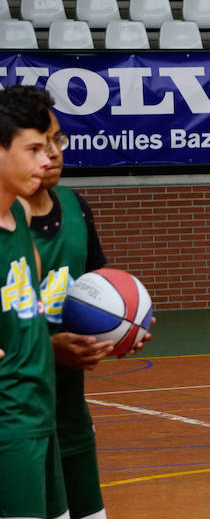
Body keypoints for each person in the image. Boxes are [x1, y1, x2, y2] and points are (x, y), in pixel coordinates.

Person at [22, 108, 111, 519]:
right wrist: (46, 347)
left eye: (57, 140)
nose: (53, 154)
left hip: (70, 414)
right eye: (37, 145)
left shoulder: (76, 209)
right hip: (16, 420)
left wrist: (120, 327)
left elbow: (96, 293)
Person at [0, 85, 64, 519]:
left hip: (43, 414)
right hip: (8, 422)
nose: (47, 159)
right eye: (33, 148)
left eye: (49, 145)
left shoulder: (20, 215)